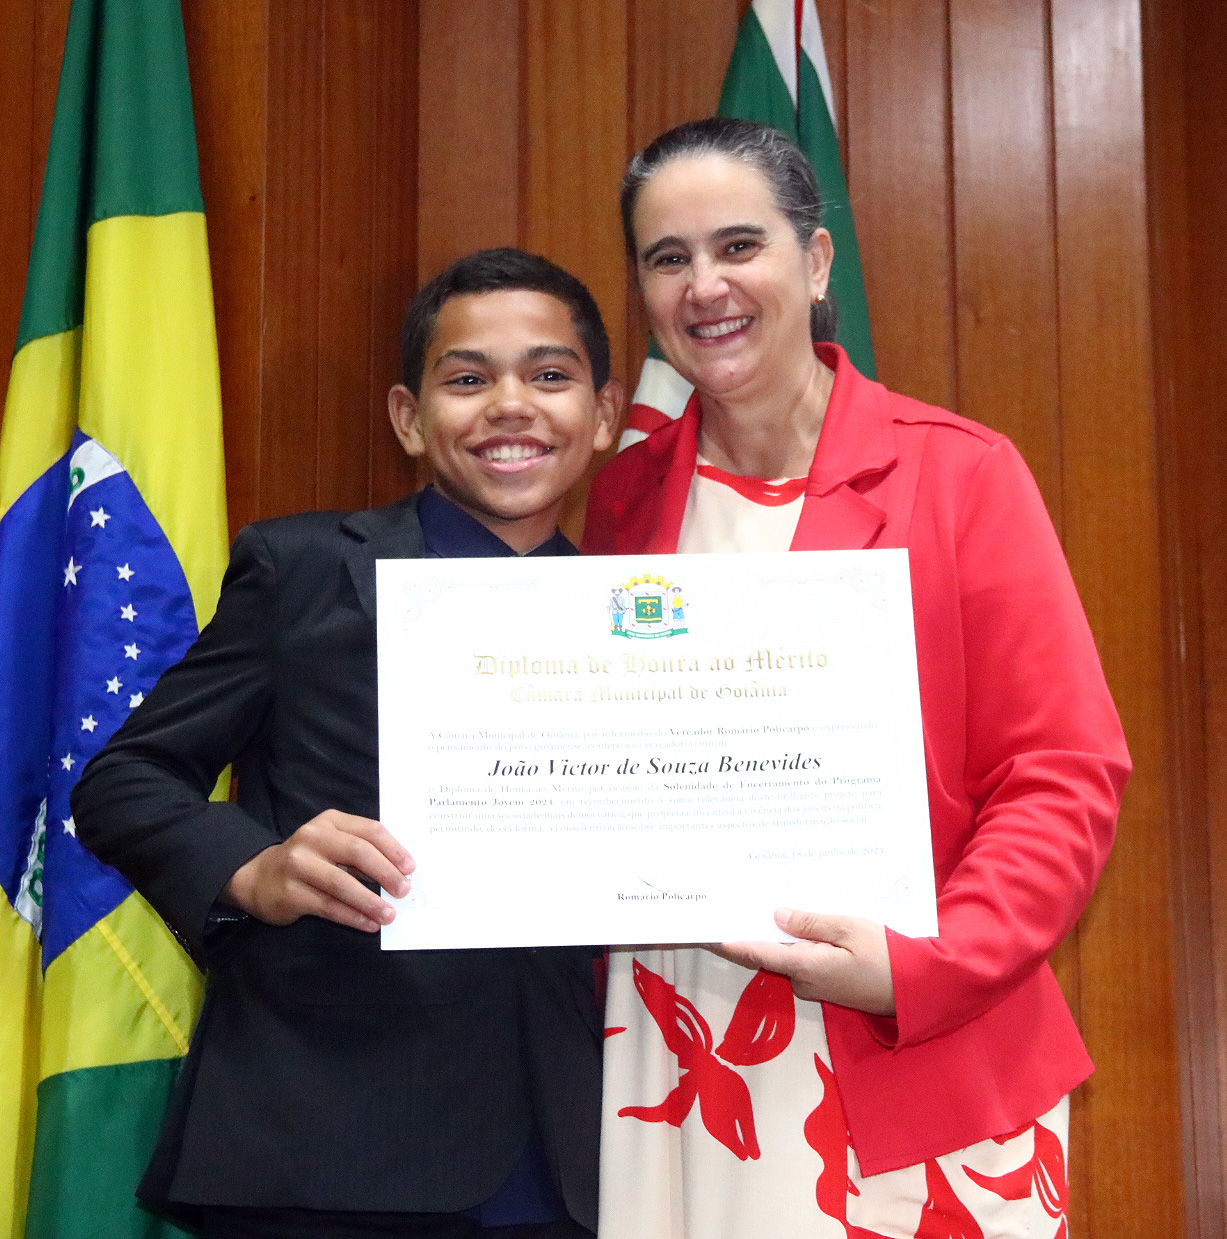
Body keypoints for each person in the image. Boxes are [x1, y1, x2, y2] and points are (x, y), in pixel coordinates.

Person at [581, 117, 1128, 1239]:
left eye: (740, 245)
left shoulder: (959, 472)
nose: (705, 286)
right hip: (676, 1038)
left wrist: (922, 964)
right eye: (668, 258)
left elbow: (1063, 775)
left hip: (915, 1044)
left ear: (817, 260)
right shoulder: (623, 499)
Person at [72, 247, 624, 1239]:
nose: (511, 405)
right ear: (409, 417)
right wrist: (254, 871)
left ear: (604, 413)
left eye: (549, 375)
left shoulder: (639, 618)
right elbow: (124, 777)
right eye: (468, 379)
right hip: (326, 1146)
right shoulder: (302, 570)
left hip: (564, 1153)